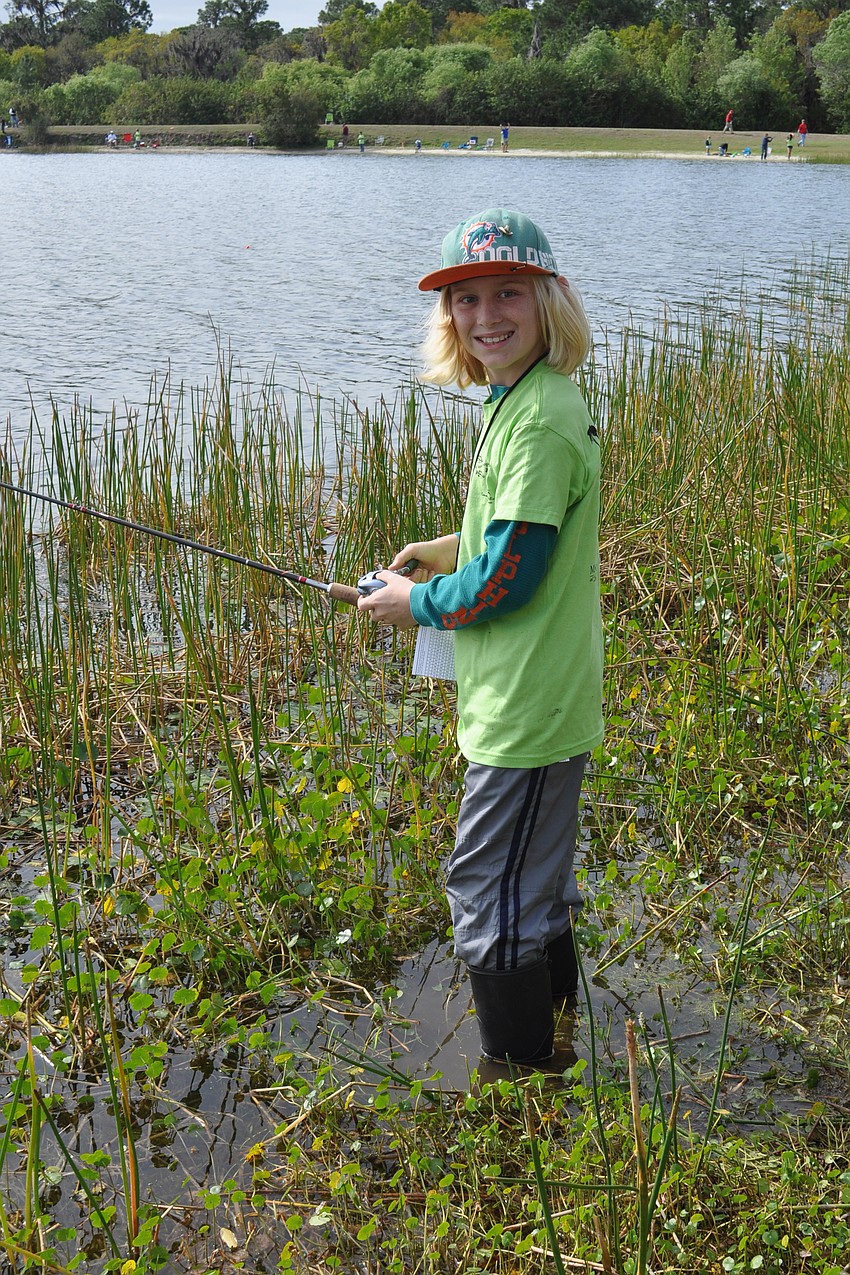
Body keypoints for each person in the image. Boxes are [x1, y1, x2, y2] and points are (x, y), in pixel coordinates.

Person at [358, 209, 603, 1069]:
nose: (485, 314)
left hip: (527, 710)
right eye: (466, 298)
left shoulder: (534, 421)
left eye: (508, 293)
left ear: (548, 302)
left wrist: (412, 605)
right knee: (531, 889)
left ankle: (521, 1080)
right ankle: (560, 1040)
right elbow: (512, 538)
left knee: (482, 890)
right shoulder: (531, 399)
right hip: (542, 695)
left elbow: (507, 581)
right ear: (449, 315)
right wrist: (439, 552)